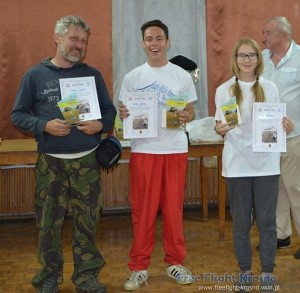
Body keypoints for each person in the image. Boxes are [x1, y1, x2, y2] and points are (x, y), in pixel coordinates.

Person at [11, 15, 116, 293]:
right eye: (74, 38)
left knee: (88, 223)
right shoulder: (35, 75)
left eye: (83, 41)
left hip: (88, 161)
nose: (79, 45)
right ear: (57, 38)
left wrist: (101, 124)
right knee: (47, 226)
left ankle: (87, 277)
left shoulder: (92, 75)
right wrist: (43, 125)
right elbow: (17, 115)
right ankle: (48, 277)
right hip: (51, 164)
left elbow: (109, 110)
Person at [118, 19, 197, 291]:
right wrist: (123, 115)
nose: (154, 43)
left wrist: (187, 114)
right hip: (144, 151)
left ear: (168, 41)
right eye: (149, 39)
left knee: (173, 210)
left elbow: (189, 111)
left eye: (159, 38)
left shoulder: (181, 75)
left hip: (174, 149)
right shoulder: (132, 77)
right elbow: (124, 113)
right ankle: (139, 267)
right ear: (143, 43)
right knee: (144, 211)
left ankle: (175, 262)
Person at [214, 37, 289, 291]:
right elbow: (219, 124)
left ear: (259, 59)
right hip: (236, 165)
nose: (247, 60)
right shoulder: (224, 90)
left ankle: (267, 272)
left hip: (266, 165)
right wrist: (220, 128)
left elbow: (277, 124)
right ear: (235, 60)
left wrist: (284, 125)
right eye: (242, 55)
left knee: (267, 222)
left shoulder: (270, 87)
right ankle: (245, 271)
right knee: (241, 223)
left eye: (251, 55)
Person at [261, 16, 300, 259]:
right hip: (267, 137)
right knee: (276, 190)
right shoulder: (261, 59)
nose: (263, 37)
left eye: (267, 33)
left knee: (296, 188)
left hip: (295, 136)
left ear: (283, 36)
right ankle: (280, 235)